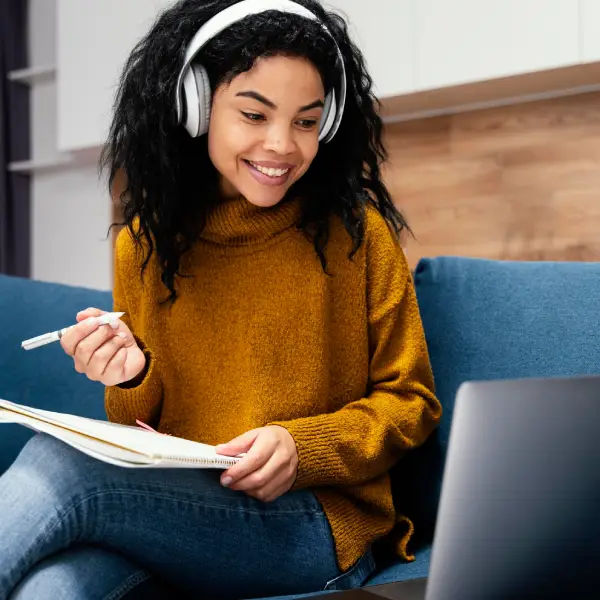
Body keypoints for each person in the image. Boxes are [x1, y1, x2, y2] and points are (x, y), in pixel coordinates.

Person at [0, 0, 442, 598]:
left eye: (307, 121)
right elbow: (140, 428)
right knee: (48, 588)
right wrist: (132, 374)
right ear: (196, 105)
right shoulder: (145, 247)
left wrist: (300, 447)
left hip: (313, 521)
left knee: (61, 464)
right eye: (254, 114)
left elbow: (411, 402)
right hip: (182, 517)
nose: (282, 144)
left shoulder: (356, 234)